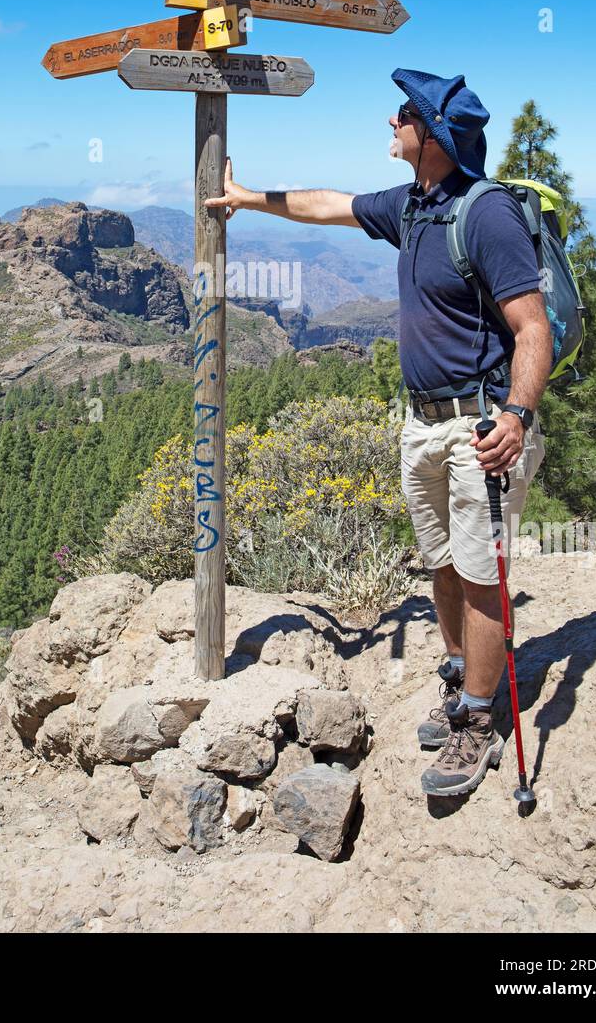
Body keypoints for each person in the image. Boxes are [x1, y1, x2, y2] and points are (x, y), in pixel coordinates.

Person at [204, 67, 553, 799]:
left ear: (430, 136)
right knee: (443, 564)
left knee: (484, 579)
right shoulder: (416, 205)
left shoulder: (483, 215)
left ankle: (480, 723)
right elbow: (328, 204)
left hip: (478, 425)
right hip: (420, 425)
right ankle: (462, 682)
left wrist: (517, 418)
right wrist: (248, 197)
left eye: (402, 116)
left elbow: (532, 329)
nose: (389, 125)